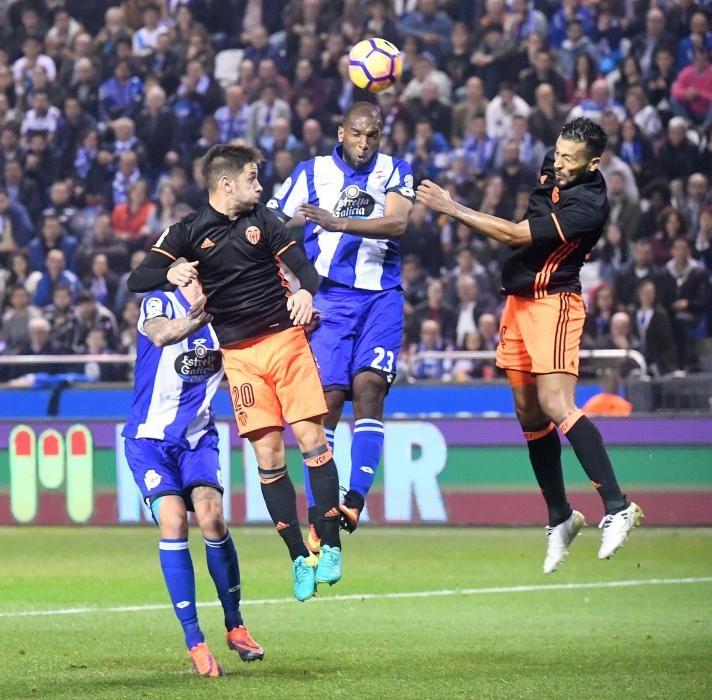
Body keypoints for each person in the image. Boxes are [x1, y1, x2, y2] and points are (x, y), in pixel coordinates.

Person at [417, 117, 642, 573]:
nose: (557, 163)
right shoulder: (554, 163)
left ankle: (618, 506)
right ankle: (560, 517)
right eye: (557, 153)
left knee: (557, 404)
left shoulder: (589, 206)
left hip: (554, 304)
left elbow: (516, 234)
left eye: (568, 160)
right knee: (528, 413)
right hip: (517, 304)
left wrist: (452, 207)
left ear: (593, 164)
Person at [128, 144, 341, 603]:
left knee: (311, 440)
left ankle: (332, 546)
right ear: (226, 185)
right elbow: (137, 279)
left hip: (284, 340)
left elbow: (304, 268)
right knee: (268, 458)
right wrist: (172, 272)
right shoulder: (186, 231)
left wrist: (304, 293)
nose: (260, 187)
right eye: (252, 178)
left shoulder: (264, 220)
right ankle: (299, 559)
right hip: (240, 357)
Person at [266, 102, 414, 540]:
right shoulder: (310, 172)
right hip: (328, 298)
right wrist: (289, 283)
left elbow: (398, 223)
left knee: (370, 388)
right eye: (356, 133)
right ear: (340, 130)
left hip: (381, 298)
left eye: (372, 135)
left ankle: (354, 501)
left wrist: (338, 222)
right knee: (327, 402)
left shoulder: (396, 170)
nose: (364, 143)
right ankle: (321, 513)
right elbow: (269, 222)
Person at [122, 267, 263, 676]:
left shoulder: (228, 321)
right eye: (191, 278)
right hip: (148, 440)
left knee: (213, 518)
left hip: (198, 439)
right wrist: (198, 315)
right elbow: (161, 335)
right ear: (179, 279)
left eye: (204, 277)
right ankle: (194, 640)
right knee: (172, 521)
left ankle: (235, 625)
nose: (199, 284)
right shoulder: (158, 302)